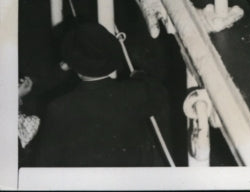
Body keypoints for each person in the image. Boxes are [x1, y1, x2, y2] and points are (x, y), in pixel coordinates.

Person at [33, 21, 170, 167]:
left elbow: (45, 163)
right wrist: (140, 77)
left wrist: (61, 71)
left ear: (74, 67)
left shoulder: (58, 108)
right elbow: (158, 92)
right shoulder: (135, 93)